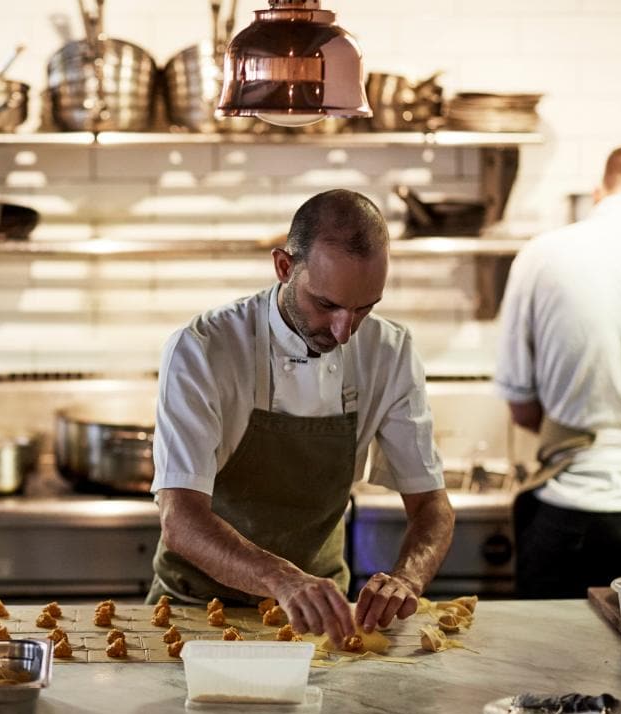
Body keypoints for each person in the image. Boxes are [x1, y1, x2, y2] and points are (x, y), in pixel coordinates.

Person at [148, 189, 454, 645]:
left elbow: (432, 507)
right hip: (195, 615)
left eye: (365, 309)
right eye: (327, 305)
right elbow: (180, 518)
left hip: (320, 623)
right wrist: (282, 579)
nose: (344, 330)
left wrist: (407, 579)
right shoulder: (204, 349)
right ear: (284, 268)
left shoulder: (390, 352)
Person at [494, 143, 621, 599]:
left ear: (597, 193)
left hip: (569, 512)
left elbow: (522, 408)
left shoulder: (542, 254)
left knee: (552, 668)